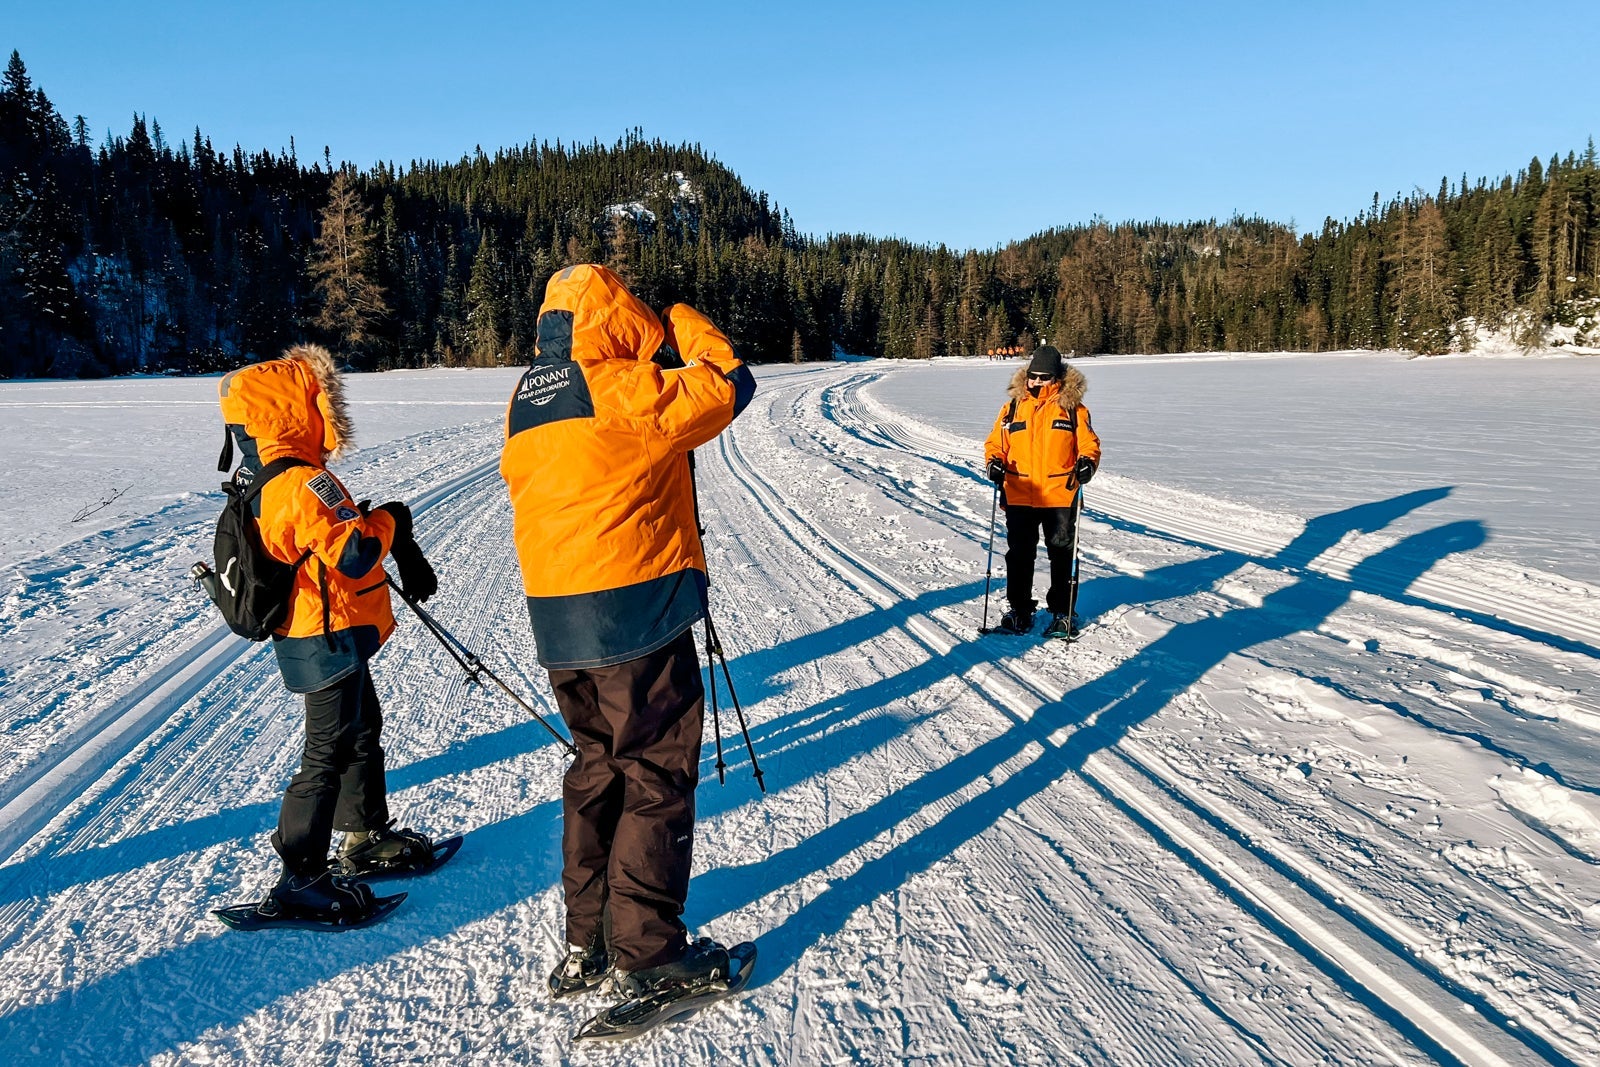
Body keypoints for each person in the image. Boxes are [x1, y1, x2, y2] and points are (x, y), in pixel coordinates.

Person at [499, 265, 757, 1001]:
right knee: (655, 771)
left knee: (596, 766)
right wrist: (682, 320)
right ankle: (647, 955)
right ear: (619, 315)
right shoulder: (624, 388)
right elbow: (731, 383)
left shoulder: (525, 400)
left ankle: (591, 937)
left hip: (557, 617)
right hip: (634, 606)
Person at [217, 343, 441, 923]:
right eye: (323, 398)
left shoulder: (271, 477)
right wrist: (394, 520)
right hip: (323, 636)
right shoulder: (302, 482)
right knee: (327, 750)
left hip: (325, 631)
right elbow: (356, 550)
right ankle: (300, 877)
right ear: (298, 409)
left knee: (361, 729)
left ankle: (364, 837)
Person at [982, 344, 1101, 638]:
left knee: (1062, 553)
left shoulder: (1073, 409)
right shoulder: (1012, 408)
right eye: (1033, 376)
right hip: (1020, 491)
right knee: (1020, 554)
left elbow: (1089, 445)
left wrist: (1087, 463)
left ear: (1057, 377)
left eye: (1044, 377)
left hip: (1060, 493)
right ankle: (1020, 611)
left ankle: (1062, 612)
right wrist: (993, 463)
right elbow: (996, 444)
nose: (1036, 382)